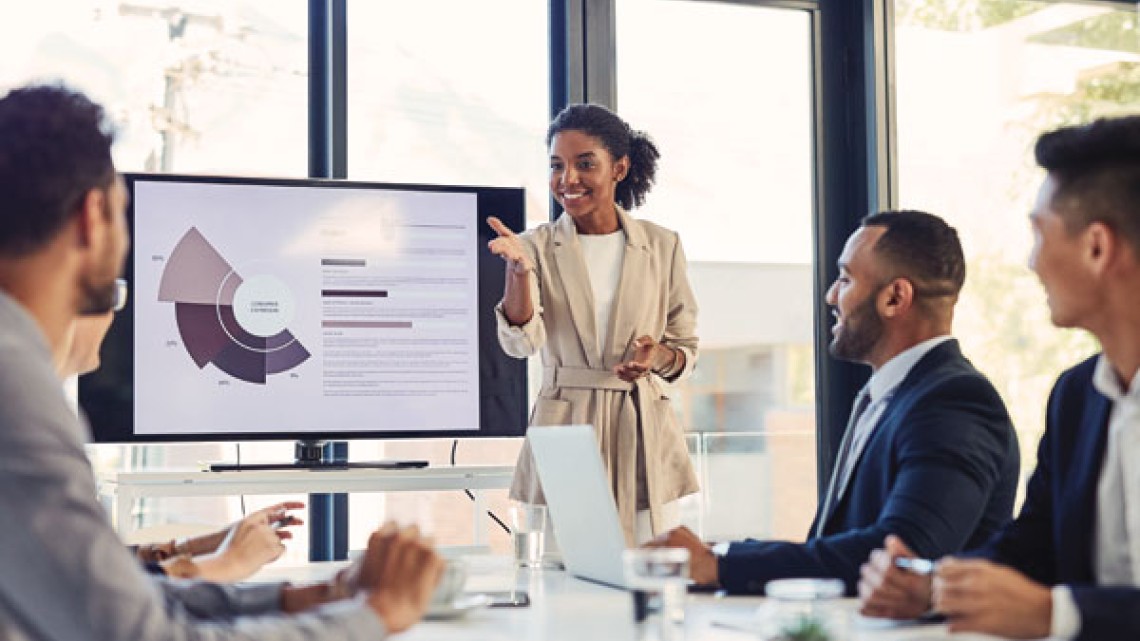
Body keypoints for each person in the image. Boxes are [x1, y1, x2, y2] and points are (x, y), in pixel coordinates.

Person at [0, 83, 442, 640]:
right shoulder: (15, 387)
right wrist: (373, 617)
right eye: (123, 210)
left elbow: (106, 599)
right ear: (93, 217)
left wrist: (300, 596)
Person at [858, 116, 1140, 640]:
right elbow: (1032, 548)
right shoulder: (1077, 396)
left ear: (1097, 247)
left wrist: (1059, 615)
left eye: (1039, 233)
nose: (1032, 263)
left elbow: (1051, 603)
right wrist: (933, 585)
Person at [652, 211, 1020, 594]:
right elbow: (835, 545)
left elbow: (899, 555)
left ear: (895, 298)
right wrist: (720, 553)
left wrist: (721, 566)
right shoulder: (893, 396)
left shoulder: (955, 402)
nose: (831, 295)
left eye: (845, 279)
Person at [487, 103, 699, 544]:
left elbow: (684, 349)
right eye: (557, 166)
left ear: (619, 168)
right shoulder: (533, 247)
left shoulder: (662, 245)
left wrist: (655, 356)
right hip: (566, 425)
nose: (568, 180)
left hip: (642, 428)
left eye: (585, 164)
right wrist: (519, 273)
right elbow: (521, 342)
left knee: (651, 568)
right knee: (567, 570)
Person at [55, 284, 309, 582]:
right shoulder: (29, 434)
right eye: (111, 293)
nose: (114, 313)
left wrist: (194, 548)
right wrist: (229, 564)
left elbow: (67, 559)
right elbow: (86, 592)